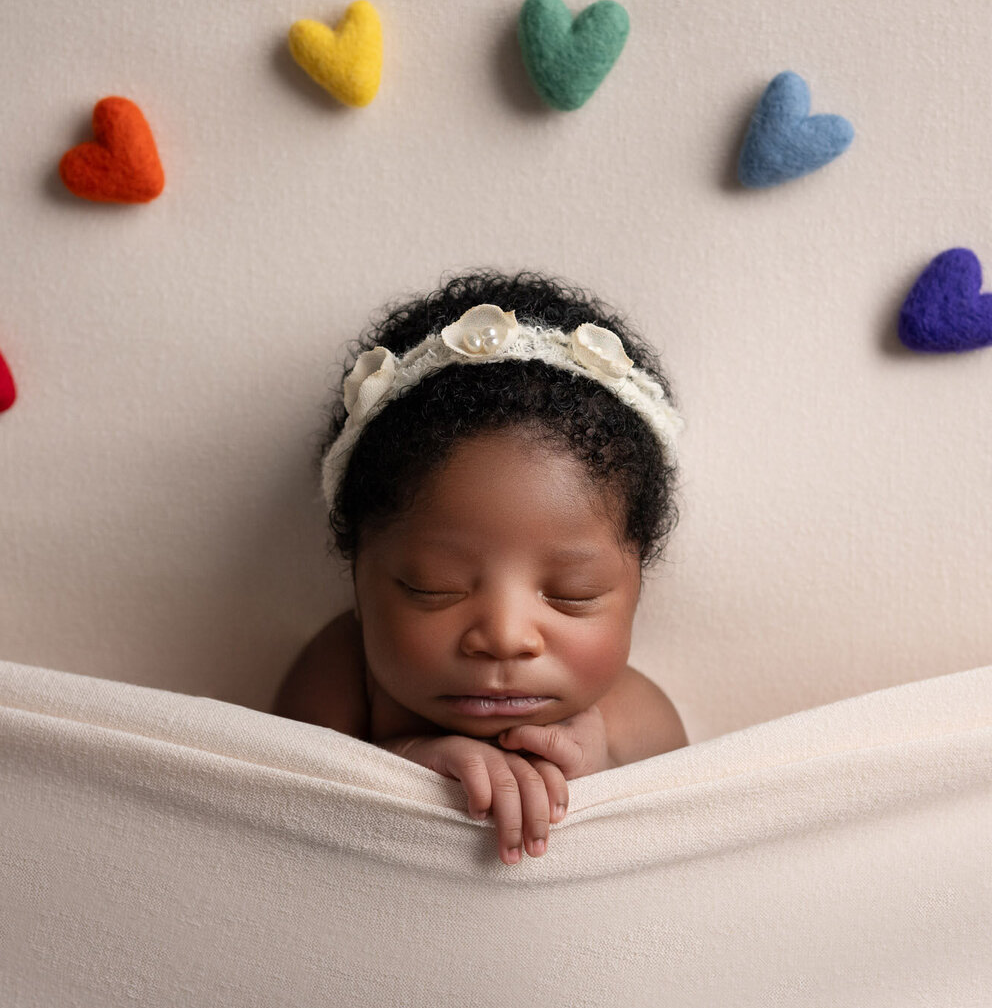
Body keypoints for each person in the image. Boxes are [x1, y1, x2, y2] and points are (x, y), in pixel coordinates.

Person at [273, 268, 690, 865]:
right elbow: (270, 820)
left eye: (574, 593)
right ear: (358, 578)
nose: (504, 636)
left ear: (636, 587)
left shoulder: (631, 716)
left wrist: (603, 775)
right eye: (433, 588)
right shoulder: (343, 675)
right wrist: (406, 765)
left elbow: (684, 848)